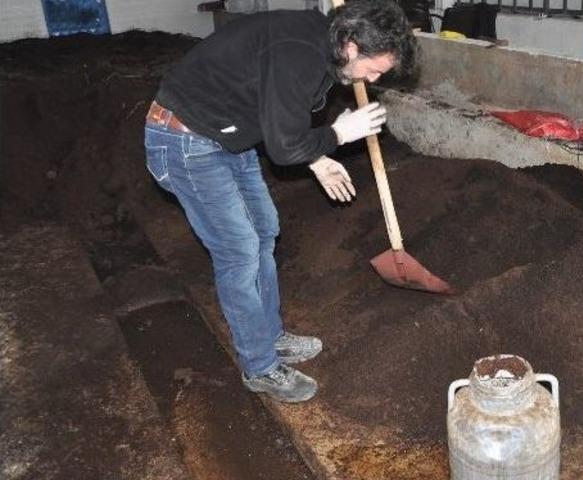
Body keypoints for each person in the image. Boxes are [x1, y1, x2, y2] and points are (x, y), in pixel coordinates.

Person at [143, 0, 417, 403]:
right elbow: (284, 146)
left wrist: (318, 159)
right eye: (375, 69)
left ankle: (270, 336)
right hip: (185, 139)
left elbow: (282, 118)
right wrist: (339, 135)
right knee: (239, 251)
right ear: (353, 46)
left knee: (264, 232)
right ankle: (259, 367)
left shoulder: (324, 45)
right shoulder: (299, 53)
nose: (374, 79)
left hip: (227, 136)